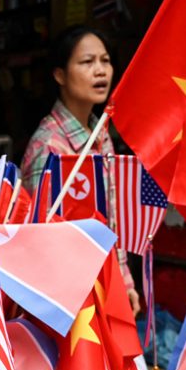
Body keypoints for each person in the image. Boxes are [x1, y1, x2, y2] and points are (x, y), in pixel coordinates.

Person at [20, 25, 140, 314]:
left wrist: (124, 281)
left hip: (104, 286)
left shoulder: (101, 134)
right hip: (67, 300)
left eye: (105, 60)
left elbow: (111, 217)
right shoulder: (49, 145)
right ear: (59, 74)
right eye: (87, 62)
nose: (100, 71)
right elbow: (40, 237)